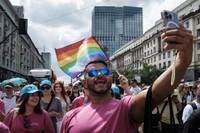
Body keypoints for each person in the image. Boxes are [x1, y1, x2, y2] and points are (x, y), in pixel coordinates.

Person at [60, 24, 193, 133]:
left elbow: (156, 94)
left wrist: (182, 62)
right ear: (84, 83)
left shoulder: (125, 108)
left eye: (104, 71)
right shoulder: (70, 117)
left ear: (110, 77)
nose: (99, 74)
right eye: (93, 73)